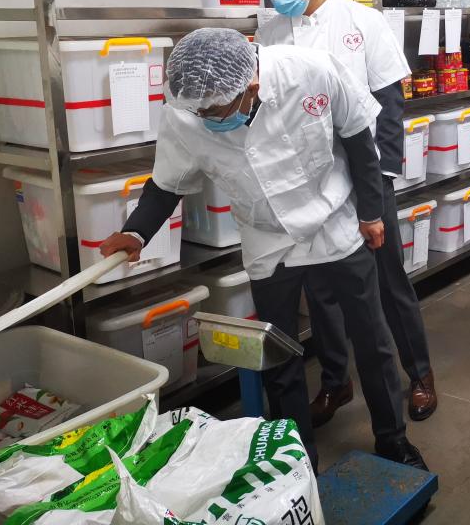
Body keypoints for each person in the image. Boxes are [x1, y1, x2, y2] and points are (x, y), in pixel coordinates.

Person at [97, 28, 426, 472]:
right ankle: (298, 462)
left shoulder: (310, 70)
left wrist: (371, 213)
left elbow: (357, 139)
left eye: (215, 112)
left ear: (251, 86)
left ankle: (393, 440)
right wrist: (136, 233)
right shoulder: (186, 110)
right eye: (198, 112)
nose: (205, 118)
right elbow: (166, 182)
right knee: (279, 355)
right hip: (266, 238)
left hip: (333, 221)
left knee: (371, 339)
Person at [247, 0, 438, 427]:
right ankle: (336, 381)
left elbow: (390, 102)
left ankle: (418, 374)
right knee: (321, 287)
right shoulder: (271, 31)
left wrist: (384, 175)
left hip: (365, 170)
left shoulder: (362, 21)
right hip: (309, 181)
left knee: (388, 279)